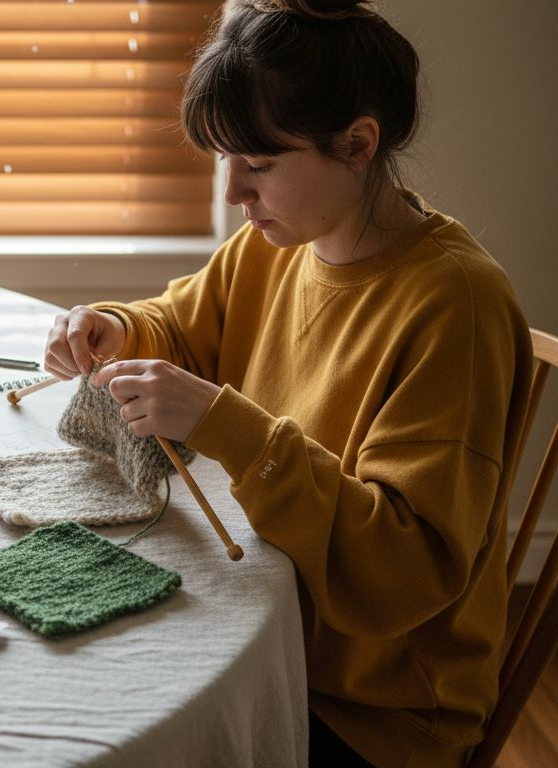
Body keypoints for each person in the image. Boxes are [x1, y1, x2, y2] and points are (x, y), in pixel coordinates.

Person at [43, 1, 532, 766]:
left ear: (357, 143)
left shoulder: (454, 305)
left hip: (370, 710)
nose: (235, 192)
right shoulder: (274, 245)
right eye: (225, 161)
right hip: (269, 635)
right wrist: (114, 328)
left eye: (260, 165)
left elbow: (404, 573)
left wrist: (228, 426)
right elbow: (178, 325)